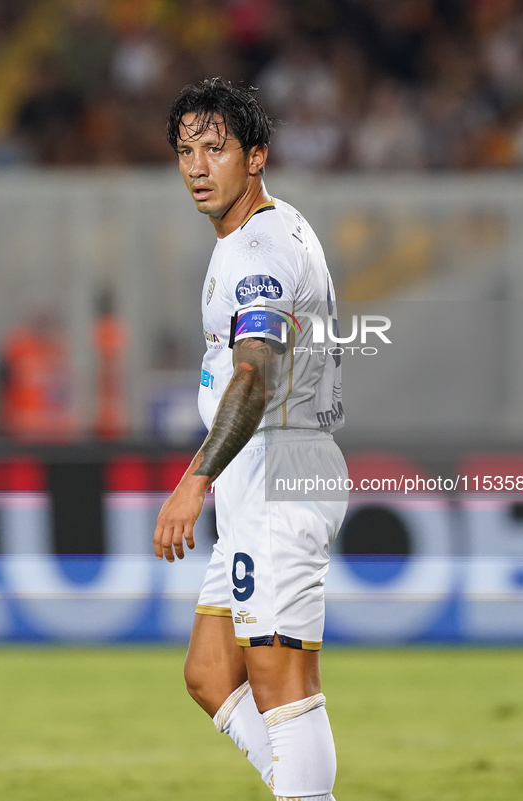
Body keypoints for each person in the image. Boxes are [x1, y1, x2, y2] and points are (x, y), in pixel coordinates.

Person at [154, 77, 348, 801]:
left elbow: (256, 375)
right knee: (210, 672)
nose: (197, 166)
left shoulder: (257, 253)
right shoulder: (256, 232)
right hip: (254, 474)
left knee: (279, 677)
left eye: (215, 148)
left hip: (280, 468)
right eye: (184, 151)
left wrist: (192, 479)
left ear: (256, 154)